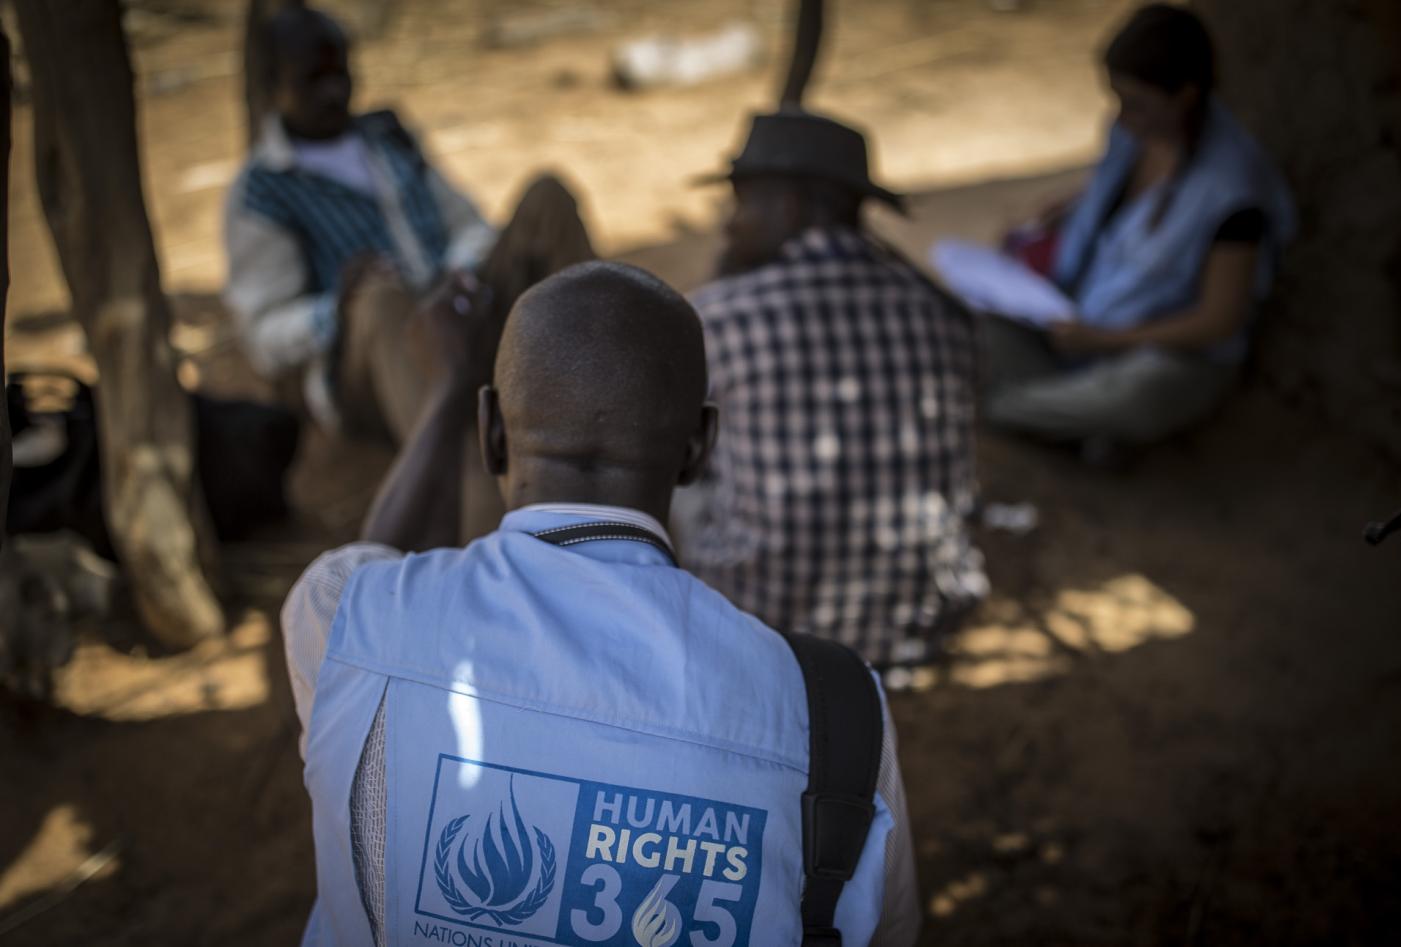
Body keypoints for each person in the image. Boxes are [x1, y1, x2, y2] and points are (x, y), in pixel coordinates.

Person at [280, 262, 921, 945]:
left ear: (491, 431)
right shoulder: (832, 713)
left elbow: (377, 576)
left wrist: (444, 395)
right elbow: (890, 931)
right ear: (700, 447)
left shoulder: (342, 613)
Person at [678, 109, 985, 674]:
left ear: (790, 208)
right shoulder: (941, 311)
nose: (730, 225)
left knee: (672, 471)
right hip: (914, 626)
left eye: (741, 204)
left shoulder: (719, 315)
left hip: (762, 629)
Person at [223, 7, 593, 454]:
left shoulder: (387, 137)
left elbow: (468, 225)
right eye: (312, 81)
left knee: (547, 199)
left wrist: (458, 271)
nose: (333, 92)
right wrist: (339, 307)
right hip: (373, 371)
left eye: (341, 74)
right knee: (378, 298)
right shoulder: (262, 190)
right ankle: (456, 463)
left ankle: (598, 389)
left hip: (460, 316)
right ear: (272, 87)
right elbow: (264, 336)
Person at [980, 3, 1296, 455]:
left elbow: (1218, 320)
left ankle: (1014, 411)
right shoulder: (1132, 133)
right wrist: (1070, 209)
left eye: (1138, 104)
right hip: (1082, 324)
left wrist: (1108, 340)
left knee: (1141, 394)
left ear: (1184, 96)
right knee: (983, 322)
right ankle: (1065, 419)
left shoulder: (1233, 193)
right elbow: (1121, 203)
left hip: (1156, 354)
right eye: (1118, 98)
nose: (1123, 115)